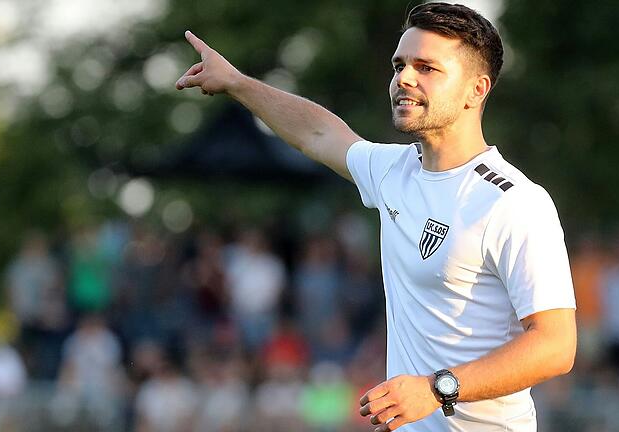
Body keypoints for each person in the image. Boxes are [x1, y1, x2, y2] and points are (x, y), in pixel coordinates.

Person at [175, 3, 577, 431]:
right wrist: (237, 83)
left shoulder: (514, 202)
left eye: (426, 67)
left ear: (476, 90)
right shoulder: (394, 170)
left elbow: (556, 345)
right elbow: (319, 132)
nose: (404, 78)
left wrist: (435, 388)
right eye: (399, 64)